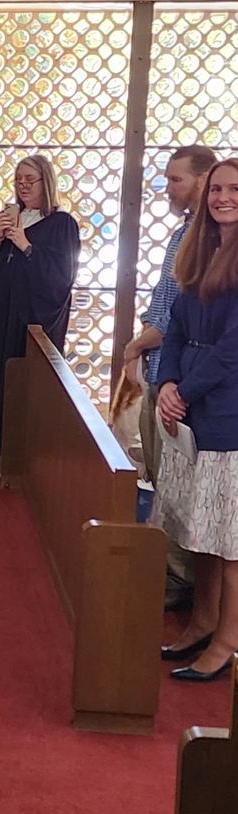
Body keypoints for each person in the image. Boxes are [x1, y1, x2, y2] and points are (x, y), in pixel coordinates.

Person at [153, 158, 238, 683]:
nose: (224, 197)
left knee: (230, 540)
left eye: (235, 189)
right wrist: (165, 384)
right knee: (202, 532)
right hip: (193, 406)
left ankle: (228, 639)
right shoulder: (200, 250)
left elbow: (232, 350)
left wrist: (182, 389)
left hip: (229, 409)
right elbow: (177, 326)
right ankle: (203, 620)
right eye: (218, 189)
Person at [122, 144, 216, 605]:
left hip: (182, 378)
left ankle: (181, 582)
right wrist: (144, 341)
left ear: (202, 181)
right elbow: (164, 301)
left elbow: (184, 313)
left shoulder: (211, 240)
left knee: (179, 483)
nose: (168, 189)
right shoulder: (183, 233)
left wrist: (137, 344)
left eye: (176, 180)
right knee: (162, 477)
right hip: (163, 368)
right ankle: (172, 573)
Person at [0, 154, 81, 474]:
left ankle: (25, 458)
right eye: (19, 180)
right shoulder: (7, 216)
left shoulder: (61, 224)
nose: (23, 186)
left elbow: (62, 275)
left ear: (47, 182)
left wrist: (26, 246)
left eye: (30, 180)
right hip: (2, 317)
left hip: (31, 321)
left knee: (26, 387)